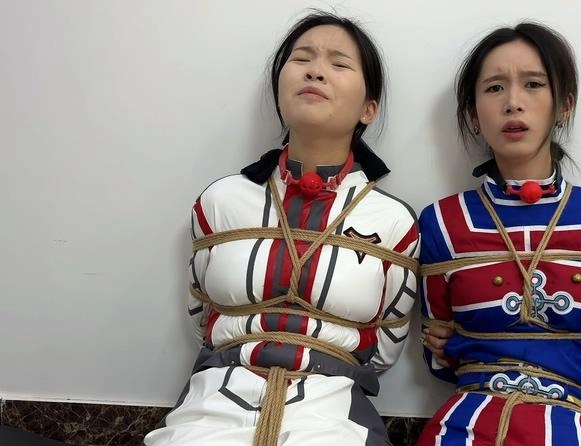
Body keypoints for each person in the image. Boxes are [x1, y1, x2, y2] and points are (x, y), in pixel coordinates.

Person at [144, 11, 419, 446]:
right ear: (278, 91)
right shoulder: (220, 202)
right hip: (212, 403)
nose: (315, 71)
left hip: (337, 412)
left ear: (369, 108)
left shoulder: (394, 222)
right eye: (302, 59)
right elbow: (202, 315)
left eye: (339, 63)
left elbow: (385, 346)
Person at [416, 22, 581, 446]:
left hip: (568, 426)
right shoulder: (443, 221)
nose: (513, 102)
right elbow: (438, 360)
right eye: (494, 88)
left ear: (564, 105)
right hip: (461, 429)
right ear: (473, 113)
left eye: (534, 84)